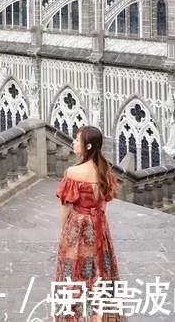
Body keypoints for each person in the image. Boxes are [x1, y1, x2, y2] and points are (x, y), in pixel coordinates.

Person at [54, 126, 121, 321]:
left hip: (78, 227)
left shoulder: (73, 172)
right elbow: (103, 206)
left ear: (88, 145)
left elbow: (66, 208)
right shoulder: (104, 171)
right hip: (99, 227)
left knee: (74, 273)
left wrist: (64, 233)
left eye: (77, 139)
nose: (74, 142)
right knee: (101, 272)